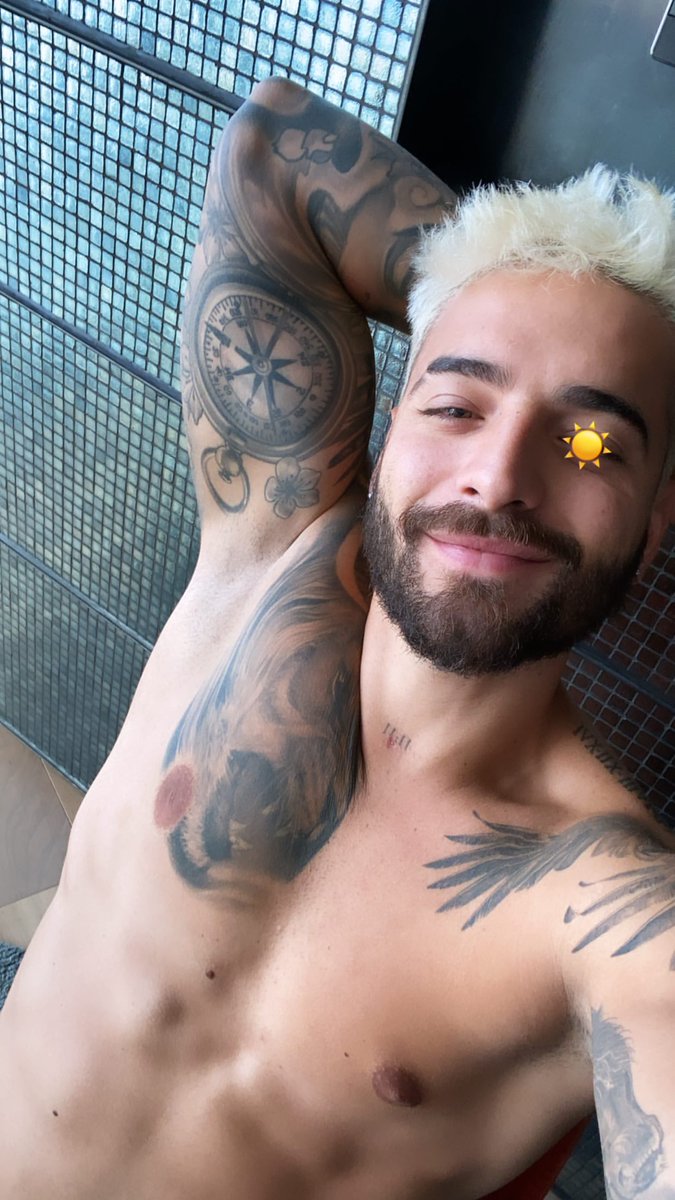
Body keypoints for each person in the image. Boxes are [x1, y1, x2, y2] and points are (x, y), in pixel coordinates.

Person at [0, 75, 673, 1200]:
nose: (498, 478)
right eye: (455, 404)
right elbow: (272, 150)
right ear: (389, 431)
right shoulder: (267, 550)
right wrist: (514, 278)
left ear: (654, 527)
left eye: (593, 444)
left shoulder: (613, 915)